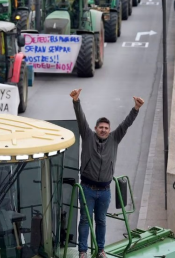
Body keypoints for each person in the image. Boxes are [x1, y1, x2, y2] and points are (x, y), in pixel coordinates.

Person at [70, 88, 144, 258]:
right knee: (85, 220)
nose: (103, 130)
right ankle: (83, 251)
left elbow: (126, 124)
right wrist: (76, 101)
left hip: (104, 191)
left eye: (106, 128)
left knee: (101, 221)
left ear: (109, 130)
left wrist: (136, 109)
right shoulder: (88, 136)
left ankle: (101, 250)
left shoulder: (114, 138)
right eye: (100, 127)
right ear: (95, 128)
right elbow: (81, 119)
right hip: (87, 189)